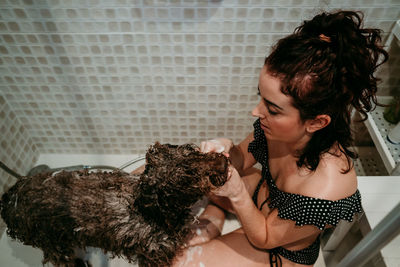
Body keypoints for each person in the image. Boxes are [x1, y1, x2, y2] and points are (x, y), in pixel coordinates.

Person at [170, 10, 389, 267]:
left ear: (316, 122)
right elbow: (240, 159)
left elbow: (264, 236)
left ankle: (215, 212)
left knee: (173, 262)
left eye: (272, 109)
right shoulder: (277, 128)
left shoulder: (328, 187)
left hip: (278, 248)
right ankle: (216, 210)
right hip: (260, 198)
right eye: (261, 97)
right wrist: (225, 150)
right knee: (184, 169)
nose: (256, 111)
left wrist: (237, 193)